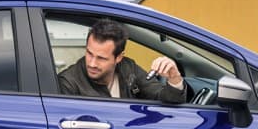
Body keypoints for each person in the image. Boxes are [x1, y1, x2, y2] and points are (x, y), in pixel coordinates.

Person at [57, 19, 187, 103]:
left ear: (119, 57)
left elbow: (163, 99)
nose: (92, 63)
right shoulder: (68, 82)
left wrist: (174, 78)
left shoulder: (128, 68)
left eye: (101, 58)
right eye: (89, 54)